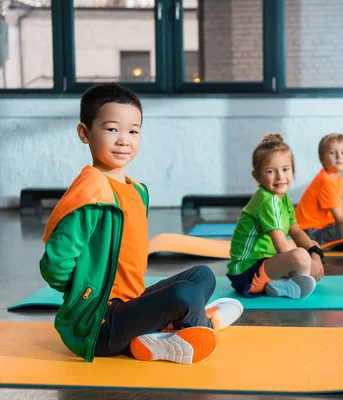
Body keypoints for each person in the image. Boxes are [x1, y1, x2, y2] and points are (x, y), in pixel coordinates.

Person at [39, 82, 243, 364]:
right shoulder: (91, 194)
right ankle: (196, 328)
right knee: (184, 294)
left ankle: (162, 334)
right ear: (84, 133)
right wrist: (84, 294)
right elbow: (54, 265)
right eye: (112, 129)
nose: (124, 140)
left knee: (202, 276)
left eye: (133, 131)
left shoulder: (137, 190)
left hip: (129, 303)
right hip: (100, 323)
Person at [227, 134, 325, 299]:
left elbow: (296, 231)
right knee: (300, 255)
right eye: (271, 171)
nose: (280, 177)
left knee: (309, 244)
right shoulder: (267, 201)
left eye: (285, 169)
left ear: (293, 170)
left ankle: (284, 284)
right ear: (256, 176)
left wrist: (315, 252)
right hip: (247, 275)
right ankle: (293, 285)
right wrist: (309, 261)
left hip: (265, 265)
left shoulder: (282, 198)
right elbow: (281, 246)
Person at [295, 133, 343, 252]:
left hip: (325, 225)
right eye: (332, 153)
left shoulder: (336, 178)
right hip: (311, 233)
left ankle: (341, 242)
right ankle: (331, 243)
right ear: (321, 158)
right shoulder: (326, 181)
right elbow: (339, 217)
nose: (339, 157)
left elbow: (339, 208)